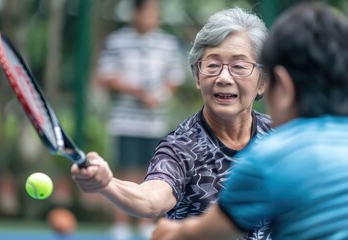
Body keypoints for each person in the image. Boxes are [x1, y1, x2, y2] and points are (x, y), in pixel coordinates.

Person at [151, 2, 348, 240]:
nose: (224, 77)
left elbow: (209, 232)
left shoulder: (272, 156)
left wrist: (172, 233)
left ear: (280, 85)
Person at [72, 6, 272, 240]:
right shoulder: (180, 147)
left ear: (262, 82)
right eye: (212, 65)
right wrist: (106, 183)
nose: (224, 78)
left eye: (239, 66)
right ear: (197, 76)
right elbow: (151, 199)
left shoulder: (282, 139)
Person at [92, 0, 185, 238]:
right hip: (125, 120)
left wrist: (158, 96)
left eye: (156, 12)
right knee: (125, 170)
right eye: (149, 11)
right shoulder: (117, 41)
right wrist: (138, 92)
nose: (154, 16)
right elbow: (106, 76)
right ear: (135, 13)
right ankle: (121, 228)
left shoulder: (167, 44)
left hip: (155, 121)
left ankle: (147, 226)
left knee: (155, 172)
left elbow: (174, 78)